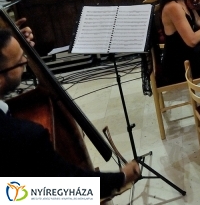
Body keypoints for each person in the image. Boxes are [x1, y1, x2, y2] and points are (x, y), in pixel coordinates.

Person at [0, 29, 140, 198]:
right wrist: (122, 177)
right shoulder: (25, 137)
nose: (25, 61)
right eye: (19, 61)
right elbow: (69, 188)